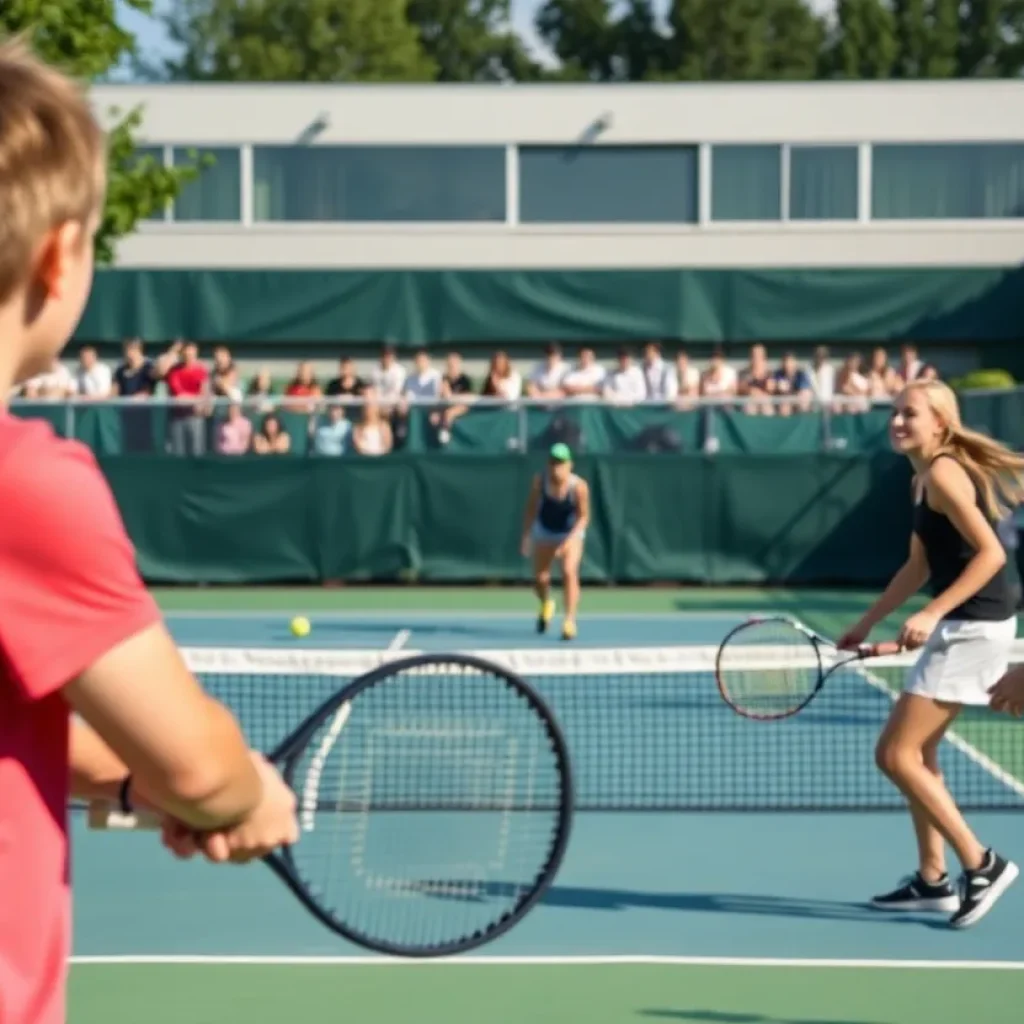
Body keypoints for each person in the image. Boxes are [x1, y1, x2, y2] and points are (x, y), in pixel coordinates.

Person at [0, 43, 299, 1024]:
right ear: (59, 255)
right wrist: (238, 793)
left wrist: (128, 777)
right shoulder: (27, 487)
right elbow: (200, 767)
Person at [838, 379, 1024, 929]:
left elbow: (991, 556)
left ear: (940, 423)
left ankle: (982, 864)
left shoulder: (943, 472)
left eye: (910, 414)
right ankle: (932, 880)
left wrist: (930, 614)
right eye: (894, 412)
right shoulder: (922, 479)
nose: (897, 421)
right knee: (920, 757)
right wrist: (868, 622)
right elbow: (917, 567)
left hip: (974, 628)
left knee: (894, 755)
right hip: (961, 626)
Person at [520, 443, 590, 641]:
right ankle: (546, 603)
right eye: (552, 462)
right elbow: (531, 509)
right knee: (541, 579)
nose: (556, 467)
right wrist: (526, 536)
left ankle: (569, 621)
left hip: (570, 532)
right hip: (545, 531)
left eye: (560, 462)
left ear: (570, 465)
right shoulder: (540, 482)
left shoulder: (579, 487)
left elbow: (584, 517)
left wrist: (569, 540)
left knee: (569, 571)